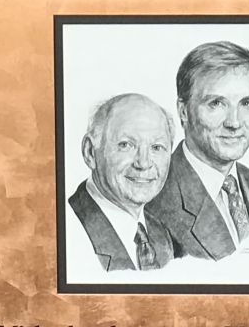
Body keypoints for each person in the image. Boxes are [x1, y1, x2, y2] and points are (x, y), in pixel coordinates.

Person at [147, 41, 249, 262]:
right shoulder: (154, 199)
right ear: (183, 112)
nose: (234, 123)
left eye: (247, 103)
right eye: (217, 103)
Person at [68, 93, 176, 272]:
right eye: (126, 145)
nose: (144, 163)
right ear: (90, 152)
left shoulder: (160, 235)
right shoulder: (71, 229)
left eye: (157, 148)